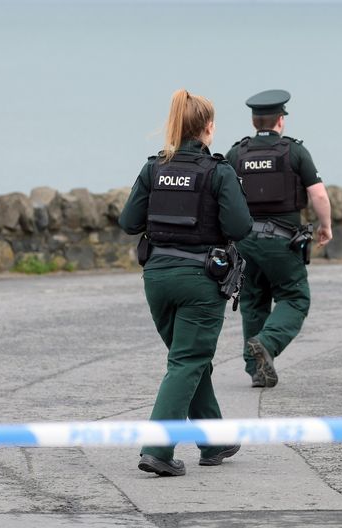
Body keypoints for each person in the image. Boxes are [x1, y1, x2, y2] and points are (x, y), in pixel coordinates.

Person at [118, 88, 252, 477]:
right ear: (208, 128)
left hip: (157, 278)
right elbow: (240, 226)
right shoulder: (218, 171)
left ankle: (214, 441)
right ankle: (158, 449)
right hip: (200, 281)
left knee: (189, 360)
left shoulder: (153, 169)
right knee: (188, 361)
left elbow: (129, 223)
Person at [225, 89, 333, 388]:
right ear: (281, 120)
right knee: (295, 298)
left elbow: (224, 198)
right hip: (283, 243)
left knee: (252, 303)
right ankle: (267, 343)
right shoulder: (294, 152)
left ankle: (257, 370)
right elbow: (318, 194)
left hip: (245, 242)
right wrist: (326, 226)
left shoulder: (236, 154)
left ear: (253, 120)